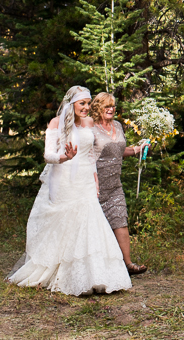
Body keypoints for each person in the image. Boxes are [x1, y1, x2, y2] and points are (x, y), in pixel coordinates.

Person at [7, 86, 132, 296]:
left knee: (90, 224)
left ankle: (95, 276)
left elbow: (91, 155)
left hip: (86, 180)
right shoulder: (56, 124)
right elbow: (48, 156)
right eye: (81, 103)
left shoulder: (89, 123)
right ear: (71, 104)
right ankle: (66, 274)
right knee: (68, 225)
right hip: (65, 179)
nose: (86, 108)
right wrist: (64, 157)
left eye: (88, 103)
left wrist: (95, 179)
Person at [90, 92, 147, 275]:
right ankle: (97, 267)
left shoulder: (118, 126)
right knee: (95, 226)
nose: (111, 109)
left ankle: (128, 264)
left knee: (120, 220)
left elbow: (119, 150)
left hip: (115, 184)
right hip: (95, 185)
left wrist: (137, 149)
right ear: (98, 108)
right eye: (106, 106)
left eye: (113, 106)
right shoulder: (91, 129)